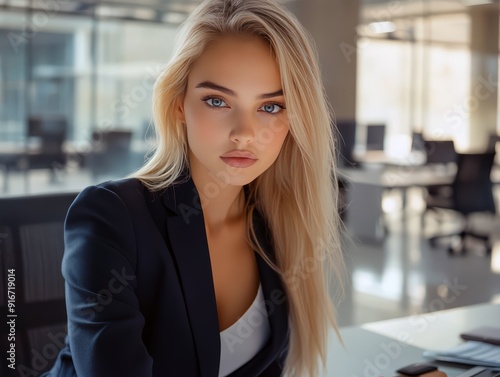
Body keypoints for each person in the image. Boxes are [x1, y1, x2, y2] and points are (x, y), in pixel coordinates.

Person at [43, 0, 345, 376]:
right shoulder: (111, 217)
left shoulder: (276, 222)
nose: (245, 134)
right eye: (217, 100)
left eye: (270, 107)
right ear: (179, 104)